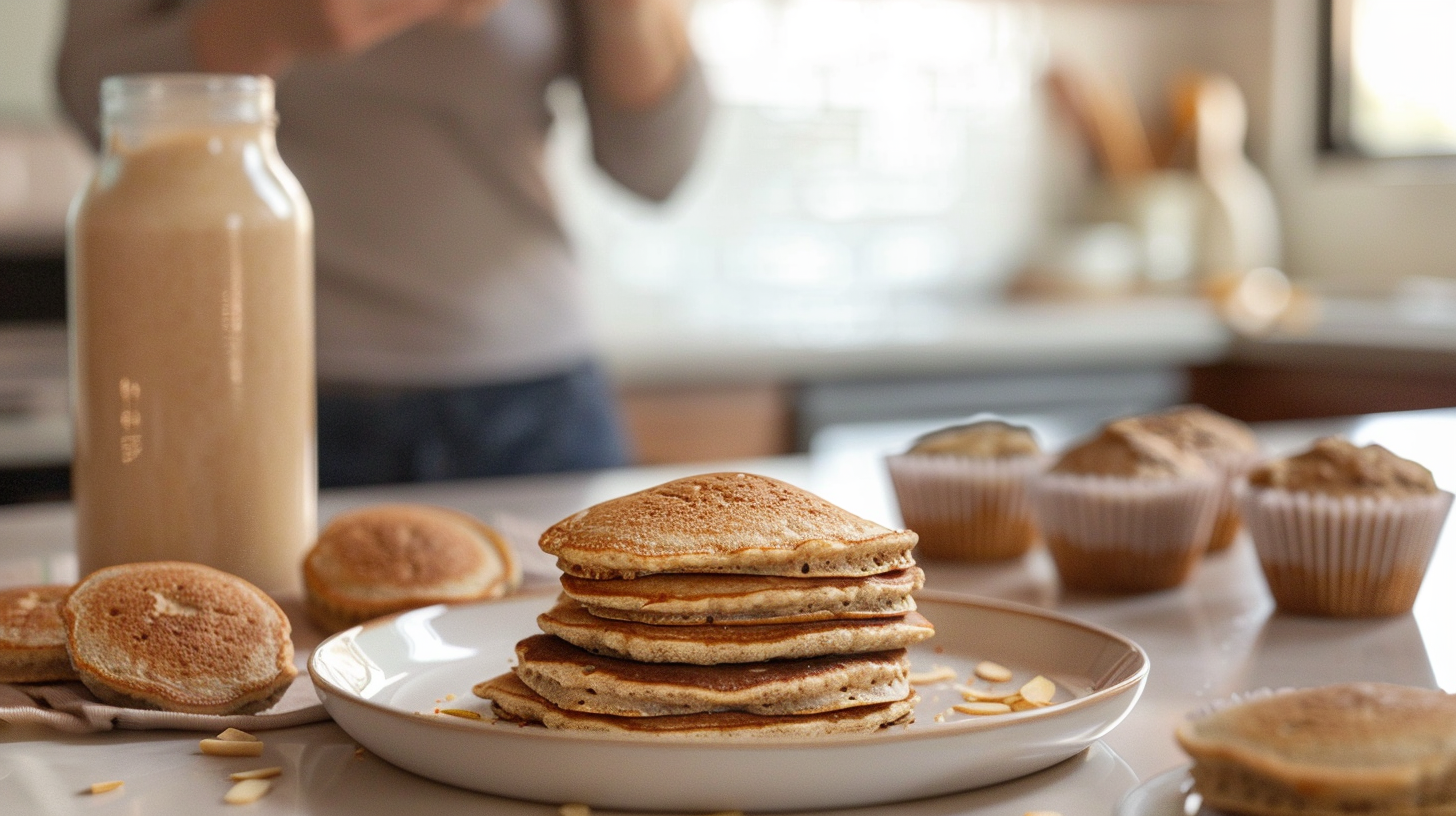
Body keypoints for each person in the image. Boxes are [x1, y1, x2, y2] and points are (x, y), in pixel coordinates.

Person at [56, 0, 711, 486]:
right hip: (250, 388)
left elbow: (657, 166)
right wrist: (265, 25)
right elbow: (92, 97)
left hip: (536, 404)